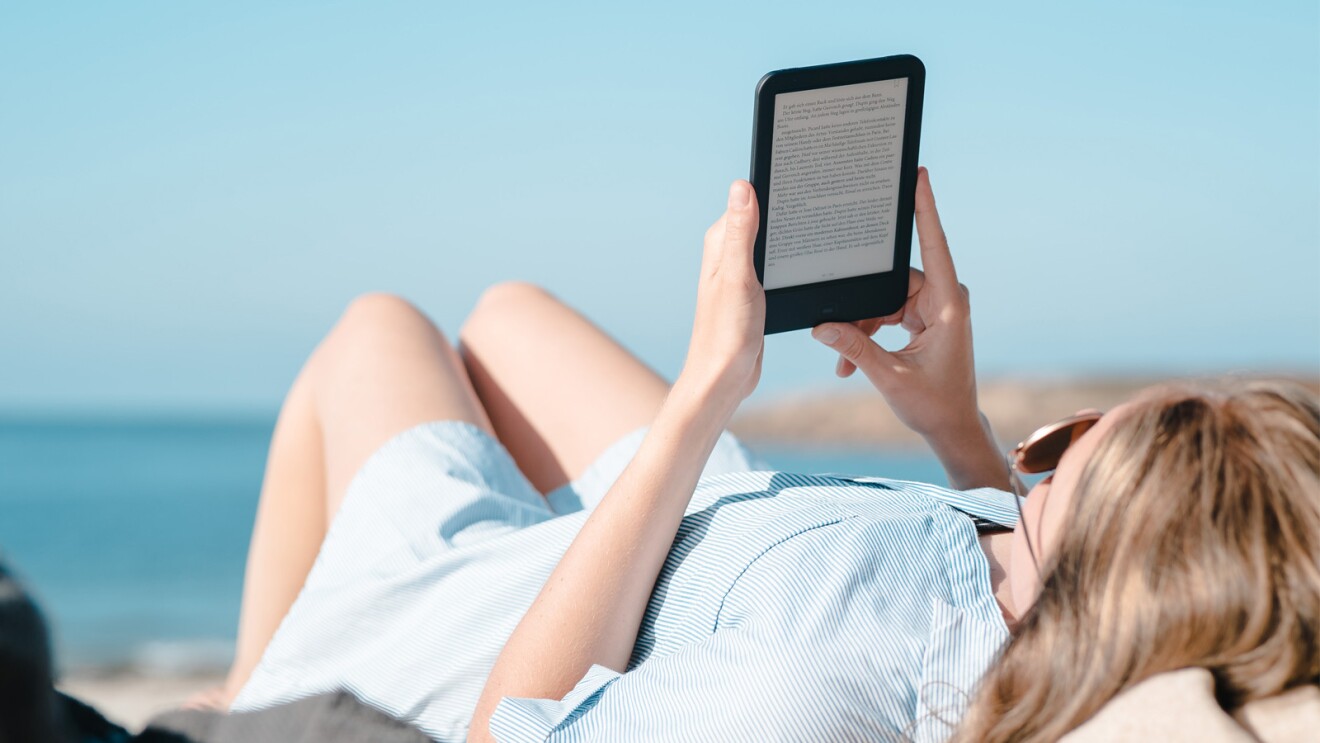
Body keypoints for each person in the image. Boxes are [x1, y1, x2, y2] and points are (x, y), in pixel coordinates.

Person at [189, 169, 1319, 742]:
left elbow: (508, 730)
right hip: (722, 531)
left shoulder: (817, 673)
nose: (1037, 465)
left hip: (516, 600)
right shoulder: (1026, 587)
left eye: (1062, 452)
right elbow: (1007, 560)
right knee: (509, 312)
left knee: (378, 328)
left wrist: (700, 395)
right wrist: (954, 427)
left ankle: (248, 694)